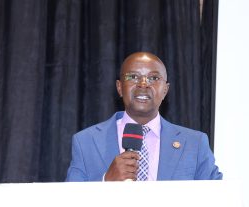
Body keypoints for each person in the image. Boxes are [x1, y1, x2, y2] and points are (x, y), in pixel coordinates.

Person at [66, 52, 222, 181]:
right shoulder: (85, 142)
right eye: (133, 77)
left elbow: (220, 200)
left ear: (165, 90)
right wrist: (106, 182)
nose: (143, 84)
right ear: (120, 88)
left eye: (154, 78)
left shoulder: (194, 144)